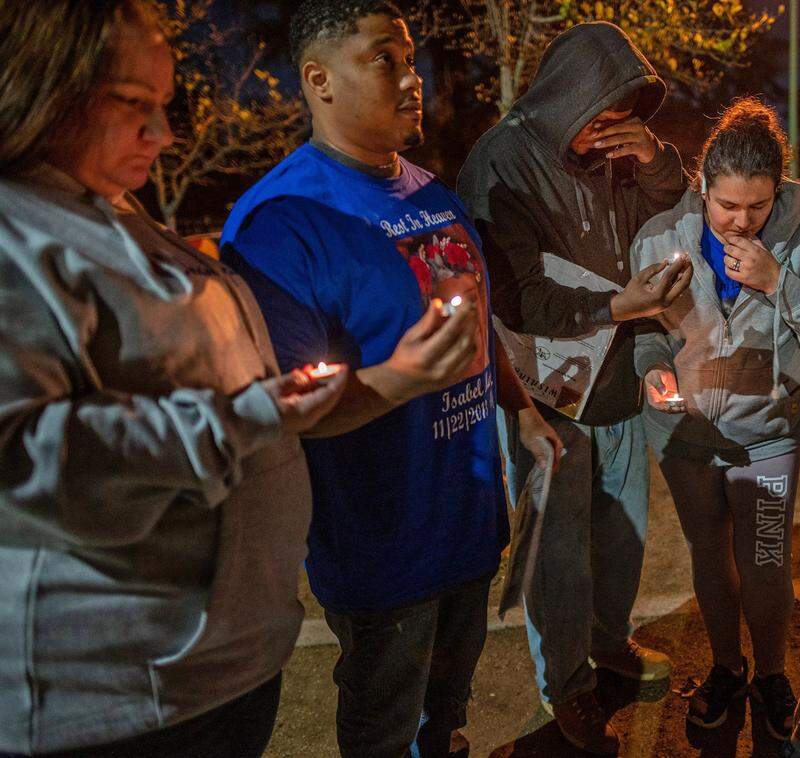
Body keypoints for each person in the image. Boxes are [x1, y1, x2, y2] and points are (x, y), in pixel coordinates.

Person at [0, 2, 348, 756]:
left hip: (214, 672)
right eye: (134, 106)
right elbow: (15, 458)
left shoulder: (109, 212)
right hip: (113, 704)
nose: (163, 136)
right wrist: (240, 418)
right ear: (39, 89)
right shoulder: (14, 236)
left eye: (164, 106)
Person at [219, 2, 561, 756]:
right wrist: (402, 380)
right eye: (385, 59)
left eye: (410, 58)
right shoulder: (279, 223)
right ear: (319, 80)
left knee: (447, 717)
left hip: (470, 528)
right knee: (385, 727)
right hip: (383, 551)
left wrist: (520, 407)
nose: (413, 80)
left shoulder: (431, 194)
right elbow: (285, 413)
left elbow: (471, 325)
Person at [456, 20, 692, 755]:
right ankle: (568, 686)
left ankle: (610, 640)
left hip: (618, 377)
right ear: (566, 97)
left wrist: (655, 158)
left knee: (622, 532)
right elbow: (513, 298)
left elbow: (670, 210)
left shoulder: (619, 149)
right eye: (599, 116)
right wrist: (613, 307)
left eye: (624, 118)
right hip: (546, 393)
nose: (606, 133)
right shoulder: (500, 162)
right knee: (557, 548)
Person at [628, 96, 800, 737]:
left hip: (767, 433)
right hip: (683, 433)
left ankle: (769, 674)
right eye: (726, 205)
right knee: (709, 555)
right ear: (702, 185)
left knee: (765, 559)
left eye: (757, 207)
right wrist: (652, 367)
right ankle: (725, 668)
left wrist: (779, 283)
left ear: (777, 192)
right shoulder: (659, 237)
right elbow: (645, 327)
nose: (740, 222)